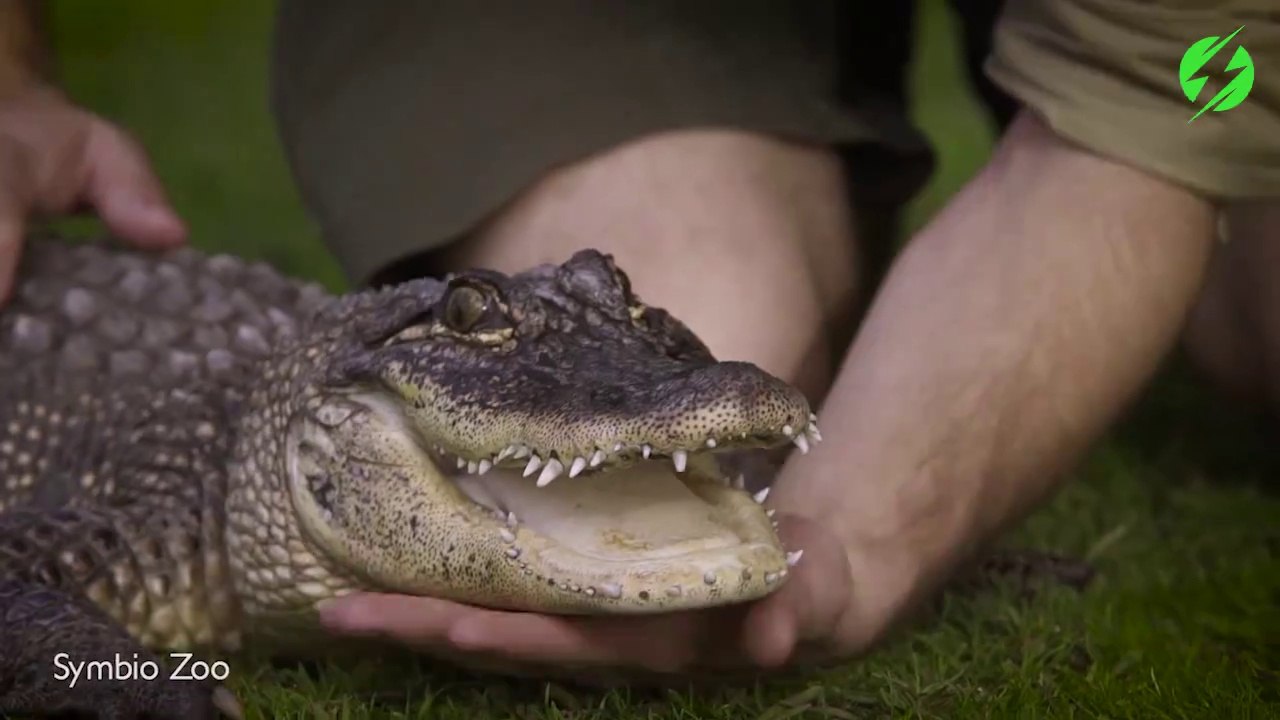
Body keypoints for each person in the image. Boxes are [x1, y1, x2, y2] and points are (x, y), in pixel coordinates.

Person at [0, 0, 1276, 682]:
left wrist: (886, 532)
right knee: (726, 282)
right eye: (481, 329)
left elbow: (1139, 129)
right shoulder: (166, 502)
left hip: (1177, 31)